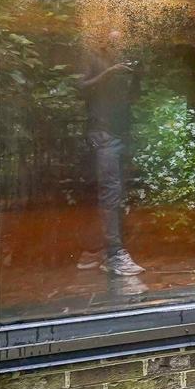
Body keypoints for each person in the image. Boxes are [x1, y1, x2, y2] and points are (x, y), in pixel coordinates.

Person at [77, 30, 146, 296]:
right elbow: (80, 89)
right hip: (103, 135)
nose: (120, 40)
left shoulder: (122, 66)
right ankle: (113, 255)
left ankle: (94, 251)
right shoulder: (93, 57)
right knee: (110, 193)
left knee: (113, 193)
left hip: (119, 136)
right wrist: (109, 73)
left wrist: (136, 77)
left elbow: (134, 99)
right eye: (116, 36)